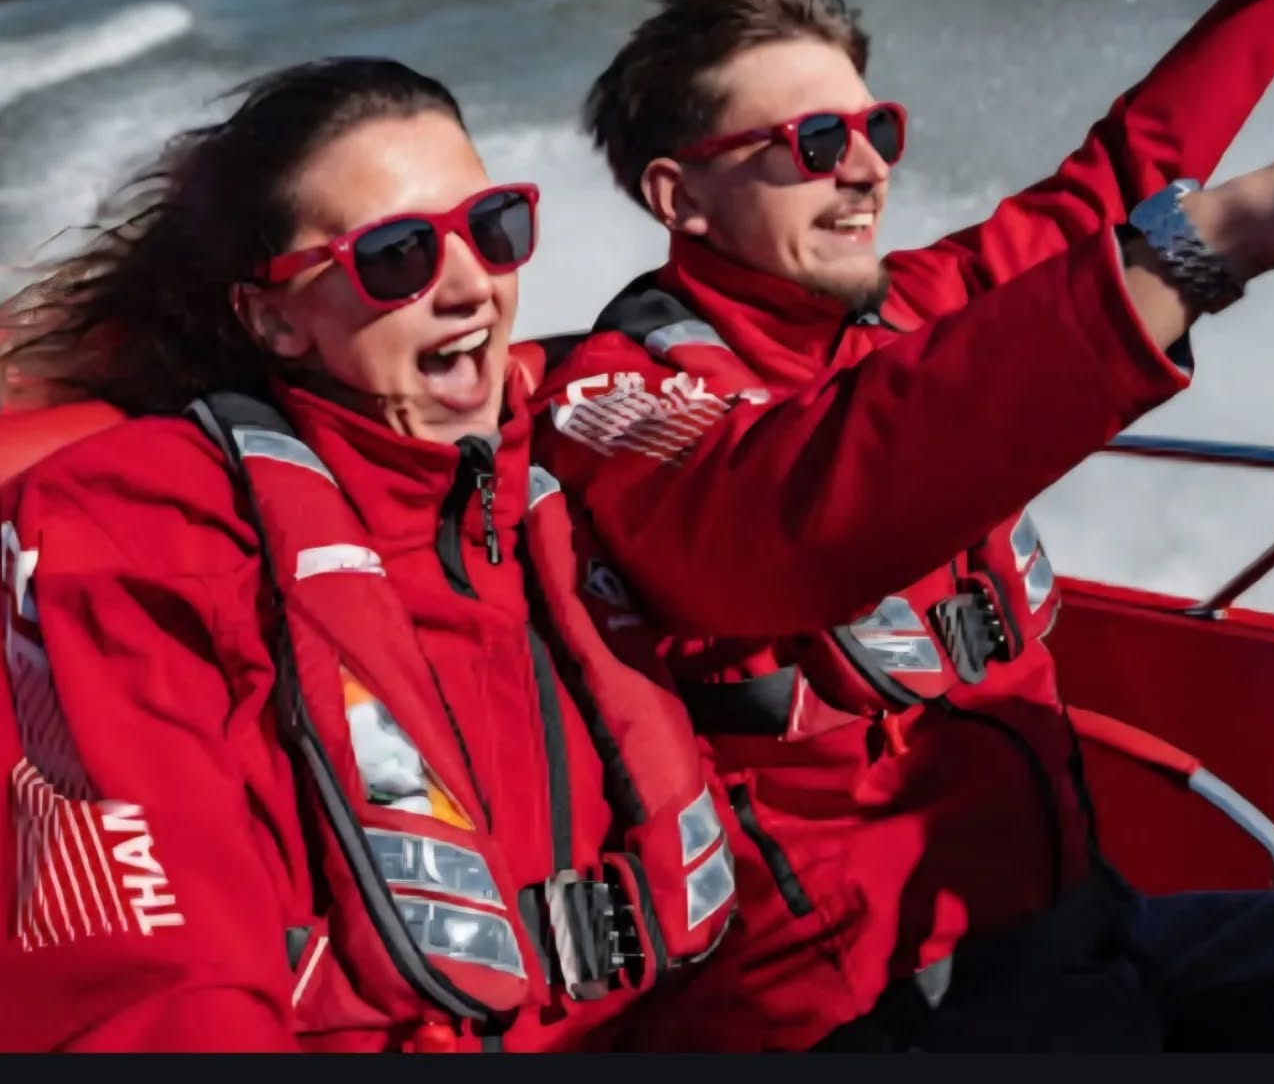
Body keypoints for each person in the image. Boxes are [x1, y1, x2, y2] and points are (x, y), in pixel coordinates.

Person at [530, 0, 1274, 1050]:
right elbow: (797, 519)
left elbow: (1099, 195)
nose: (862, 172)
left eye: (875, 129)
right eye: (809, 146)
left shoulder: (910, 303)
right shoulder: (618, 402)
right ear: (680, 199)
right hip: (888, 1013)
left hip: (1083, 919)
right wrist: (1224, 238)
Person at [0, 59, 739, 1052]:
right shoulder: (136, 530)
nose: (472, 283)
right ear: (272, 317)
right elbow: (157, 989)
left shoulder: (574, 447)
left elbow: (831, 489)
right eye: (396, 256)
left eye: (493, 227)